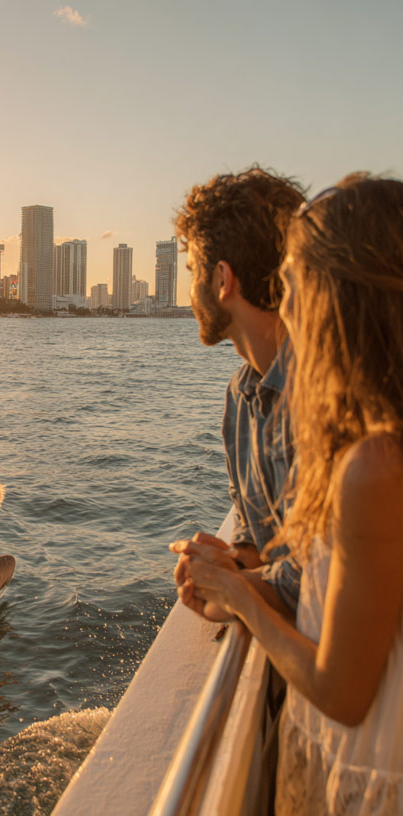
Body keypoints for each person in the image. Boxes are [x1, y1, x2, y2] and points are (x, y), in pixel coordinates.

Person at [178, 174, 403, 815]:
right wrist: (239, 567)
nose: (288, 299)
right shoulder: (247, 402)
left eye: (299, 280)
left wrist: (232, 593)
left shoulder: (370, 460)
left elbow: (343, 685)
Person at [171, 167, 306, 620]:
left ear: (222, 279)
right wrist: (238, 557)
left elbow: (317, 581)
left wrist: (229, 591)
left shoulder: (319, 396)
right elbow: (256, 529)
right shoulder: (241, 396)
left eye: (192, 272)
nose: (190, 292)